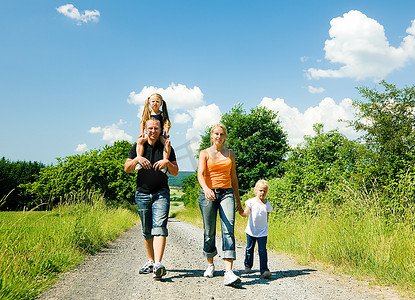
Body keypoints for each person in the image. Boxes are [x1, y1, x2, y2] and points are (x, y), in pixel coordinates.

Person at [124, 117, 178, 280]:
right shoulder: (138, 145)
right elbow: (127, 169)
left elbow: (175, 171)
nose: (153, 131)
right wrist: (137, 159)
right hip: (142, 193)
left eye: (156, 128)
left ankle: (158, 264)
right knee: (147, 230)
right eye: (150, 128)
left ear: (161, 129)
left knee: (160, 227)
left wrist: (166, 162)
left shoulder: (167, 147)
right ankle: (151, 261)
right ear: (145, 129)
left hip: (161, 192)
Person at [197, 123, 243, 286]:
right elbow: (200, 175)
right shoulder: (204, 153)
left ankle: (228, 272)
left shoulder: (230, 154)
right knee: (209, 231)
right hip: (208, 194)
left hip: (227, 193)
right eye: (216, 133)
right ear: (211, 135)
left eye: (222, 134)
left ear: (225, 136)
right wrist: (206, 188)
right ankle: (210, 264)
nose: (218, 137)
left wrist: (238, 201)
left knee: (228, 229)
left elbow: (234, 178)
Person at [239, 180, 273, 279]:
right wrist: (240, 210)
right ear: (256, 190)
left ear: (267, 192)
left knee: (262, 250)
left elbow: (267, 217)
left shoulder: (267, 205)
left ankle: (264, 270)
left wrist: (265, 226)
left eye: (264, 191)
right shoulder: (251, 202)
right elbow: (245, 214)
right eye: (260, 190)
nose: (262, 193)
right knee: (249, 249)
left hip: (262, 232)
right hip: (251, 230)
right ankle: (248, 265)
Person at [135, 93, 172, 173]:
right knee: (140, 141)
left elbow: (167, 124)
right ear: (149, 103)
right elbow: (142, 123)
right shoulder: (147, 113)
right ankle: (139, 160)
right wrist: (141, 133)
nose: (155, 103)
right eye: (153, 101)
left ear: (161, 103)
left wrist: (166, 132)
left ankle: (165, 162)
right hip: (149, 135)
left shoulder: (162, 114)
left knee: (167, 142)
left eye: (157, 101)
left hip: (159, 135)